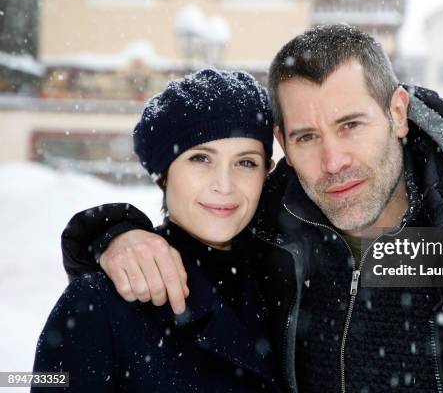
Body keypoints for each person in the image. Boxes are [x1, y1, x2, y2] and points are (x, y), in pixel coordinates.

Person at [59, 25, 443, 392]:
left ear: (397, 112)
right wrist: (113, 233)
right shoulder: (269, 239)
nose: (332, 161)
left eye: (351, 125)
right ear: (281, 141)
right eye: (306, 137)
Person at [33, 69, 284, 392]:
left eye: (245, 162)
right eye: (201, 158)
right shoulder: (100, 301)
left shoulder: (288, 284)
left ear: (267, 172)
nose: (225, 185)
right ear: (164, 174)